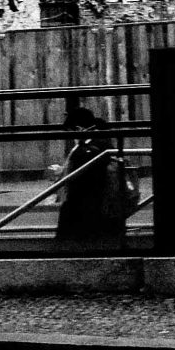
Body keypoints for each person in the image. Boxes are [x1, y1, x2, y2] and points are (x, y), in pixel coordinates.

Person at [53, 103, 130, 247]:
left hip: (87, 214)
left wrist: (61, 173)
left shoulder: (86, 150)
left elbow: (79, 182)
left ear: (78, 129)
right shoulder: (103, 143)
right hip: (103, 210)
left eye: (71, 133)